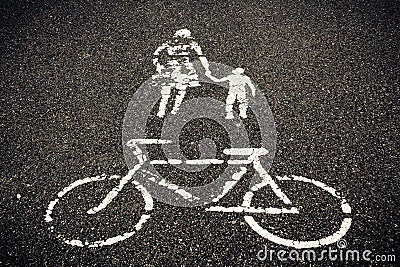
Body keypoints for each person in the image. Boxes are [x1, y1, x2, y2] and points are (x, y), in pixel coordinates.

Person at [153, 28, 210, 118]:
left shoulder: (171, 43)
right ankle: (170, 111)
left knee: (172, 91)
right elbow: (201, 56)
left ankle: (168, 111)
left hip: (179, 69)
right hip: (177, 69)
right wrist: (158, 65)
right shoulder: (175, 43)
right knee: (177, 91)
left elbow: (156, 54)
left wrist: (158, 65)